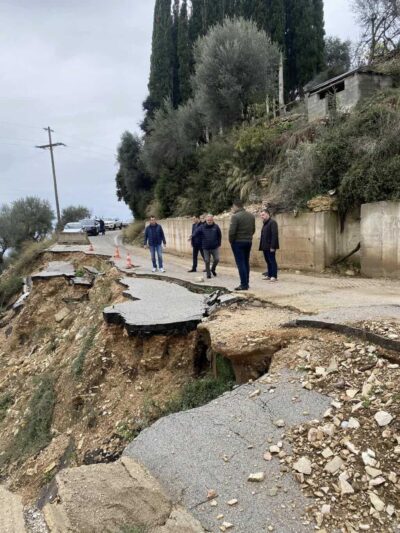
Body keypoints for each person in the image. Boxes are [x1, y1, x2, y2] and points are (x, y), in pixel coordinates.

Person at [229, 199, 256, 291]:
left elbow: (232, 232)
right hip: (248, 242)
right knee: (245, 262)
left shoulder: (235, 217)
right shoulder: (251, 216)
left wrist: (231, 241)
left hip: (238, 242)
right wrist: (248, 237)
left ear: (236, 206)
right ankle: (246, 283)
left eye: (233, 207)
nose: (232, 208)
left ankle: (243, 285)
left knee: (241, 264)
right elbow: (253, 230)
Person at [193, 214, 221, 279]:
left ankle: (213, 269)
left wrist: (219, 243)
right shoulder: (202, 227)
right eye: (208, 220)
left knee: (217, 259)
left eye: (210, 220)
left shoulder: (216, 227)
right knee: (207, 260)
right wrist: (192, 236)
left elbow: (219, 235)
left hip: (215, 247)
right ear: (206, 220)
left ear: (213, 220)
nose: (209, 221)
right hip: (205, 247)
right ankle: (208, 274)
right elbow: (196, 232)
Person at [259, 209, 279, 282]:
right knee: (268, 261)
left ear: (268, 214)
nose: (262, 216)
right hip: (265, 246)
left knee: (272, 261)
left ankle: (274, 276)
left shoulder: (272, 222)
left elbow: (274, 235)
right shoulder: (265, 223)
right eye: (261, 215)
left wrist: (273, 246)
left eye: (263, 215)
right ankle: (269, 275)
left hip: (270, 246)